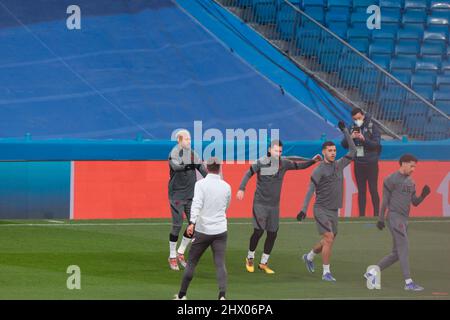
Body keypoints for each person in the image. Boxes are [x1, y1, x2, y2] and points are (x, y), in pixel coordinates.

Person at [237, 140, 321, 274]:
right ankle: (250, 258)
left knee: (272, 233)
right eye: (276, 151)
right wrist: (241, 188)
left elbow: (300, 166)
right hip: (260, 203)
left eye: (281, 151)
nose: (279, 153)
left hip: (274, 206)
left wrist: (313, 161)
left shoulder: (284, 163)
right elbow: (248, 173)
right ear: (270, 150)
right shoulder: (261, 162)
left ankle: (263, 263)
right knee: (258, 231)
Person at [298, 121, 356, 281]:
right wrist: (303, 209)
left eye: (335, 150)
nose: (333, 153)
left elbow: (353, 150)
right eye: (330, 150)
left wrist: (345, 131)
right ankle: (326, 273)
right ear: (323, 152)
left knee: (327, 240)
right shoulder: (319, 170)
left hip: (333, 210)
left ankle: (309, 257)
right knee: (329, 238)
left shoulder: (339, 164)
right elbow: (310, 189)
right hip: (321, 209)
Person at [364, 154, 431, 291]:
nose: (413, 169)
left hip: (404, 220)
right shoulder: (391, 179)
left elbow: (415, 203)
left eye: (414, 167)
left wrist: (423, 195)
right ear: (403, 163)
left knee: (396, 253)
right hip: (395, 218)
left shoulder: (411, 182)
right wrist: (380, 218)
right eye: (411, 166)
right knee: (404, 248)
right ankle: (408, 283)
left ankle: (371, 273)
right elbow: (385, 200)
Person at [175, 157, 231, 300]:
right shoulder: (226, 186)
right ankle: (222, 296)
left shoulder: (200, 184)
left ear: (206, 168)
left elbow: (196, 204)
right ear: (219, 168)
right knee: (220, 263)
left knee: (192, 262)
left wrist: (192, 223)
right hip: (220, 230)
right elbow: (226, 205)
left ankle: (182, 296)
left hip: (203, 230)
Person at [168, 129, 207, 271]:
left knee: (194, 225)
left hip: (191, 195)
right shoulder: (173, 153)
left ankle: (180, 253)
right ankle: (172, 256)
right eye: (186, 139)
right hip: (177, 196)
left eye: (190, 139)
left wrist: (212, 180)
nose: (189, 141)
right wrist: (191, 165)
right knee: (177, 225)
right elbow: (176, 167)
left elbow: (203, 170)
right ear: (179, 140)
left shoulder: (193, 154)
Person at [341, 108, 381, 217]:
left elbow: (376, 144)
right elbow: (343, 144)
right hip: (359, 162)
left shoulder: (373, 127)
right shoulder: (353, 128)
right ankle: (361, 216)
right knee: (361, 191)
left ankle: (377, 215)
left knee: (373, 189)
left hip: (371, 162)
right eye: (355, 119)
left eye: (359, 118)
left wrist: (364, 139)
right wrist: (351, 137)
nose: (357, 121)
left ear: (363, 115)